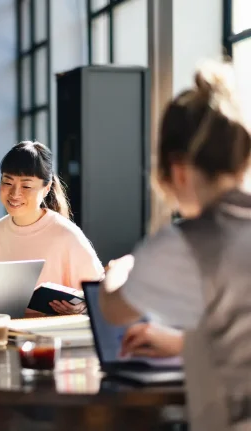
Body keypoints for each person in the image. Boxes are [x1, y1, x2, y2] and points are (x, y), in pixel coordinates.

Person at [98, 61, 251, 429]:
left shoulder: (188, 242)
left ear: (177, 169)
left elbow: (114, 311)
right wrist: (183, 343)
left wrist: (118, 272)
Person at [0, 141, 104, 315]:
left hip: (52, 335)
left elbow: (99, 294)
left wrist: (82, 307)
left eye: (26, 186)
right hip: (3, 333)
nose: (14, 193)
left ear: (46, 188)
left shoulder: (66, 234)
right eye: (7, 182)